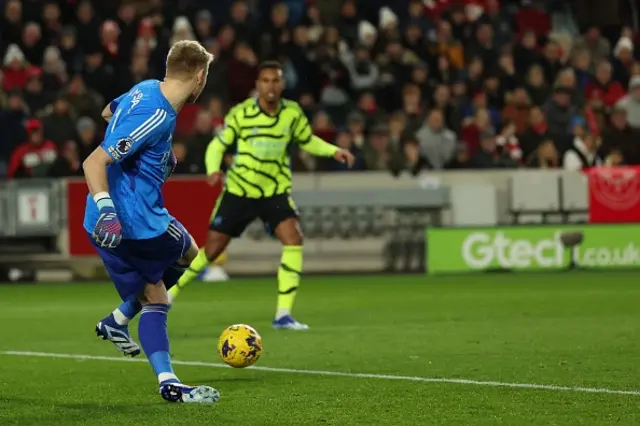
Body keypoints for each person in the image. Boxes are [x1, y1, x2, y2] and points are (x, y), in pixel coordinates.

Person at [167, 61, 355, 330]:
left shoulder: (292, 113)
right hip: (240, 190)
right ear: (257, 85)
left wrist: (333, 151)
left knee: (293, 238)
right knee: (212, 249)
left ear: (282, 84)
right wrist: (212, 170)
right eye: (265, 80)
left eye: (276, 80)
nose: (271, 86)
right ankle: (171, 292)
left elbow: (307, 140)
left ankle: (283, 315)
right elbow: (217, 146)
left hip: (275, 192)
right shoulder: (242, 113)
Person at [82, 40, 219, 404]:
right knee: (188, 258)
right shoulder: (158, 115)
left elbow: (108, 112)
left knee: (156, 290)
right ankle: (165, 380)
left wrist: (157, 155)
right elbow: (93, 163)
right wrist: (109, 210)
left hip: (106, 218)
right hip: (133, 221)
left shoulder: (144, 90)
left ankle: (119, 322)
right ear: (200, 76)